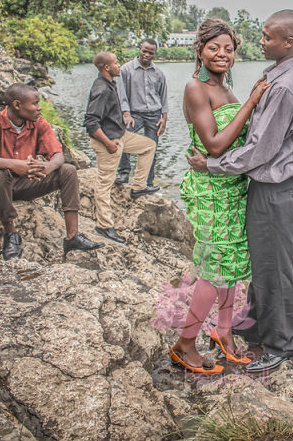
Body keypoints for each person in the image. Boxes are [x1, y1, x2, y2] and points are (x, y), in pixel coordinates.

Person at [187, 9, 293, 374]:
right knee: (263, 261)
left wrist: (212, 166)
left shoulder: (286, 86)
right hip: (265, 186)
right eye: (261, 34)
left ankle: (283, 344)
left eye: (268, 37)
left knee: (277, 267)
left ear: (288, 42)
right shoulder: (274, 77)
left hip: (277, 188)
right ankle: (256, 326)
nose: (260, 41)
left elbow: (260, 149)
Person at [168, 19, 271, 375]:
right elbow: (213, 144)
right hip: (211, 191)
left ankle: (223, 333)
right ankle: (185, 343)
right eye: (214, 47)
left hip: (233, 187)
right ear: (199, 50)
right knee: (214, 272)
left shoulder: (226, 91)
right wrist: (253, 102)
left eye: (229, 48)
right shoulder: (197, 88)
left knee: (232, 266)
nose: (222, 54)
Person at [0, 83, 102, 260]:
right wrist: (15, 165)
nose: (39, 108)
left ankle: (72, 236)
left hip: (22, 184)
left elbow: (58, 155)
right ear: (17, 105)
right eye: (35, 103)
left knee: (68, 170)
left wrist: (48, 167)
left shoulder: (38, 123)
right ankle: (11, 234)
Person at [84, 51, 158, 244]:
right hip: (109, 141)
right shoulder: (101, 89)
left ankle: (139, 186)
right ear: (106, 67)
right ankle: (104, 225)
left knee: (149, 145)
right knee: (104, 184)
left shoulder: (111, 84)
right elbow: (91, 123)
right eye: (116, 63)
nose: (119, 65)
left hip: (120, 135)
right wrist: (108, 144)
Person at [115, 38, 167, 192]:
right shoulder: (126, 70)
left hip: (154, 114)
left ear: (155, 54)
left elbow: (163, 97)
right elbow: (121, 94)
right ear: (140, 49)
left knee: (152, 148)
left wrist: (164, 118)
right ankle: (123, 173)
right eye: (144, 51)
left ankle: (147, 183)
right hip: (134, 113)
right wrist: (126, 113)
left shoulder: (158, 73)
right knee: (122, 138)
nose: (146, 55)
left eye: (151, 52)